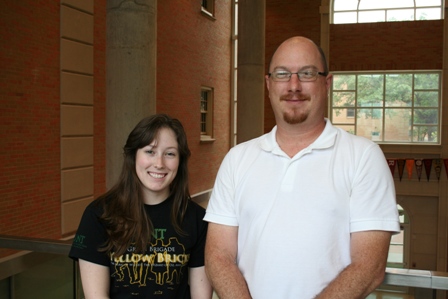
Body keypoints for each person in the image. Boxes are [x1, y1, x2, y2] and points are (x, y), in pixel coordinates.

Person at [203, 36, 400, 299]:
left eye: (307, 74)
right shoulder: (237, 159)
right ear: (268, 84)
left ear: (326, 83)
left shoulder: (363, 157)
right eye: (282, 74)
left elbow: (369, 266)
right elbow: (218, 255)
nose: (293, 86)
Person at [69, 114, 212, 299]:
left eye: (169, 154)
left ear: (180, 161)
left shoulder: (197, 219)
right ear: (133, 155)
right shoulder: (99, 215)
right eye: (150, 151)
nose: (159, 164)